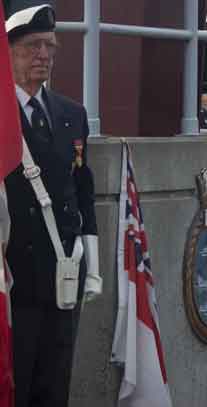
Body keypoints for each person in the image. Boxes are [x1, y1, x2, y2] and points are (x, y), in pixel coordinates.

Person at [4, 5, 102, 406]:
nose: (43, 55)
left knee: (55, 384)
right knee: (16, 383)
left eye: (49, 46)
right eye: (31, 46)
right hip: (15, 278)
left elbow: (82, 190)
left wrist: (91, 264)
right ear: (7, 52)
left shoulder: (71, 114)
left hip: (64, 273)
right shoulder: (0, 116)